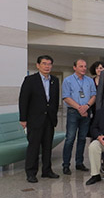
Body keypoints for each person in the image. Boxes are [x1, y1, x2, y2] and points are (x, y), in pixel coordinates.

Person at [19, 55, 60, 183]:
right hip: (34, 119)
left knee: (48, 146)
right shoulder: (30, 80)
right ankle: (31, 173)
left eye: (49, 64)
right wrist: (23, 119)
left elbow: (54, 100)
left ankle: (47, 170)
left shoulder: (55, 80)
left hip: (49, 119)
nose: (47, 66)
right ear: (38, 65)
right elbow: (23, 100)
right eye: (44, 63)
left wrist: (54, 114)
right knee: (34, 147)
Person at [61, 59, 96, 175]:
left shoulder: (89, 80)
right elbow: (66, 97)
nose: (83, 68)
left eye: (85, 66)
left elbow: (93, 95)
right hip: (73, 112)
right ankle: (66, 165)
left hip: (86, 111)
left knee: (82, 139)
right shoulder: (68, 81)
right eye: (81, 66)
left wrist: (86, 106)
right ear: (74, 67)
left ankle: (79, 163)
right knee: (70, 138)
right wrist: (79, 108)